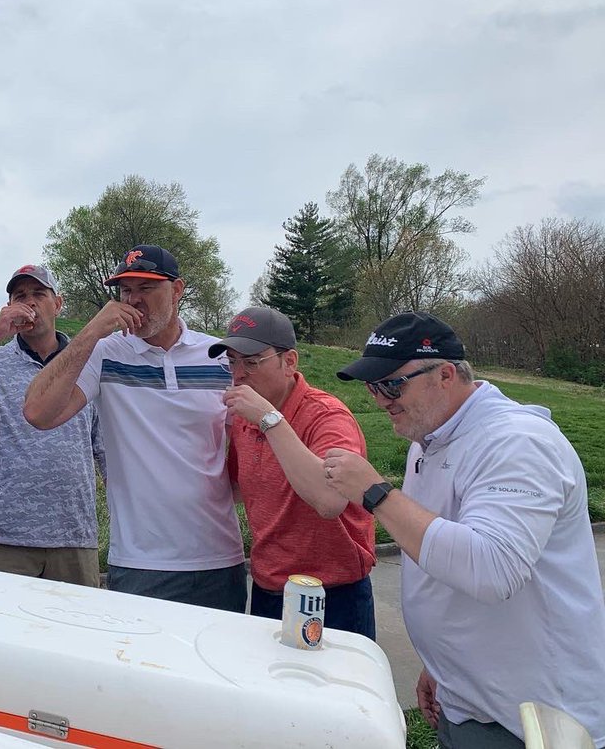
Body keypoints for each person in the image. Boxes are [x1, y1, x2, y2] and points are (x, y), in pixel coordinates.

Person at [325, 312, 605, 747]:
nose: (380, 400)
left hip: (532, 719)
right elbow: (439, 546)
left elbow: (491, 569)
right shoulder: (433, 436)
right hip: (469, 697)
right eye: (371, 386)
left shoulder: (516, 443)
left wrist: (377, 493)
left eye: (391, 384)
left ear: (445, 374)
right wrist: (443, 666)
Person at [24, 245, 245, 611]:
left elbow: (245, 442)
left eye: (146, 288)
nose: (134, 301)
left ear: (177, 291)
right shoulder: (106, 352)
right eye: (126, 291)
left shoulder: (218, 357)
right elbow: (37, 412)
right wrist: (91, 332)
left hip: (219, 558)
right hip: (139, 562)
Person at [209, 306, 376, 637]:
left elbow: (329, 501)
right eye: (232, 362)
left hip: (333, 595)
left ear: (290, 362)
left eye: (252, 362)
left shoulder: (327, 416)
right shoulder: (245, 418)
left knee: (335, 689)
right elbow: (236, 489)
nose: (238, 374)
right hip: (268, 588)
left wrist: (271, 420)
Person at [0, 264, 102, 587]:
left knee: (75, 634)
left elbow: (103, 444)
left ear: (57, 304)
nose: (29, 303)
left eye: (39, 294)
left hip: (73, 536)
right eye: (20, 296)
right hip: (4, 538)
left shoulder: (87, 362)